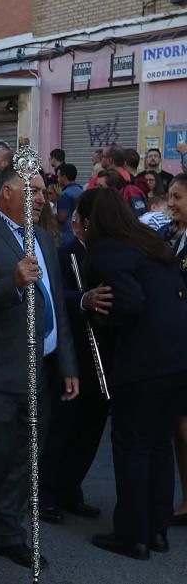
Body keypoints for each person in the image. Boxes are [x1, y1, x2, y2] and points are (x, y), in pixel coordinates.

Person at [0, 166, 79, 570]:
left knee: (28, 455)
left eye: (45, 191)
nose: (42, 198)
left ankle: (8, 531)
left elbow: (56, 303)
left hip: (40, 366)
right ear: (7, 192)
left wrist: (67, 362)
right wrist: (11, 283)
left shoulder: (43, 237)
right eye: (34, 191)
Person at [76, 187, 187, 558]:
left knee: (132, 448)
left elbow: (128, 303)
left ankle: (132, 535)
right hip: (176, 361)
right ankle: (156, 531)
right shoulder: (150, 243)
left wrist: (95, 315)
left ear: (93, 221)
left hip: (141, 364)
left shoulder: (109, 250)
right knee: (158, 447)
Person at [40, 188, 111, 524]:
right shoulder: (66, 251)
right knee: (62, 426)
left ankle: (72, 489)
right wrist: (83, 299)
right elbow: (54, 295)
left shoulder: (109, 254)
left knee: (90, 428)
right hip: (73, 353)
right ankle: (47, 493)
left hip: (102, 357)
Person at [164, 174, 187, 527]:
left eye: (178, 197)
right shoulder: (172, 235)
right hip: (175, 342)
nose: (170, 202)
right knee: (179, 427)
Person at [56, 164, 82, 247]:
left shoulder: (65, 194)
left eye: (58, 176)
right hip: (80, 232)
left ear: (64, 177)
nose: (58, 179)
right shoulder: (81, 190)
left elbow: (61, 217)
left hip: (68, 234)